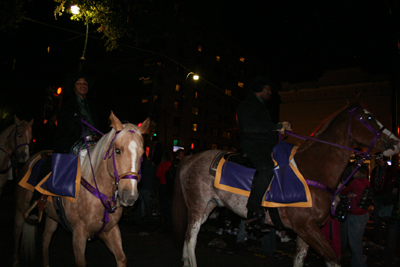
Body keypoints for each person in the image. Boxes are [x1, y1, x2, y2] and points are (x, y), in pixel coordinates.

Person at [24, 73, 100, 224]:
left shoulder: (93, 107)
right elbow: (64, 128)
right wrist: (76, 124)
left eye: (85, 83)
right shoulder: (66, 107)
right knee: (51, 162)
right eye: (79, 83)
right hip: (71, 143)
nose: (83, 85)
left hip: (93, 144)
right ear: (74, 87)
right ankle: (36, 200)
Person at [236, 75, 291, 231]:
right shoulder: (247, 105)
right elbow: (249, 127)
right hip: (253, 145)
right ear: (259, 89)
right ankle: (252, 211)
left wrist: (279, 133)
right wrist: (274, 127)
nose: (270, 92)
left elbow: (266, 128)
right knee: (267, 169)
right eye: (268, 89)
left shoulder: (261, 106)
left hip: (266, 146)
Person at [340, 162, 370, 267]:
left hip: (355, 215)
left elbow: (342, 192)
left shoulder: (356, 182)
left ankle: (360, 264)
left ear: (357, 171)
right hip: (364, 214)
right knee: (357, 240)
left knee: (354, 243)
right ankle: (356, 263)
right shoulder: (367, 182)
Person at [370, 154, 395, 245]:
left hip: (386, 197)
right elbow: (373, 183)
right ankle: (378, 238)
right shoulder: (375, 170)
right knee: (377, 219)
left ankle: (388, 239)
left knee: (387, 218)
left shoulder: (390, 170)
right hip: (377, 196)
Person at [383, 168, 400, 265]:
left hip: (395, 214)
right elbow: (387, 199)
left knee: (391, 237)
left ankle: (388, 259)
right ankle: (388, 259)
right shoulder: (395, 185)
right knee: (391, 238)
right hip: (395, 214)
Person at [134, 155, 157, 225]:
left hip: (140, 188)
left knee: (138, 206)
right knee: (148, 205)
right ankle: (149, 219)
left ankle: (138, 220)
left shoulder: (139, 169)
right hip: (147, 188)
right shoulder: (151, 169)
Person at [156, 150, 172, 232]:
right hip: (169, 187)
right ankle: (169, 224)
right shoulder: (170, 164)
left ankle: (163, 223)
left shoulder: (161, 164)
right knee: (169, 206)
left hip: (162, 185)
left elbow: (157, 174)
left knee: (162, 205)